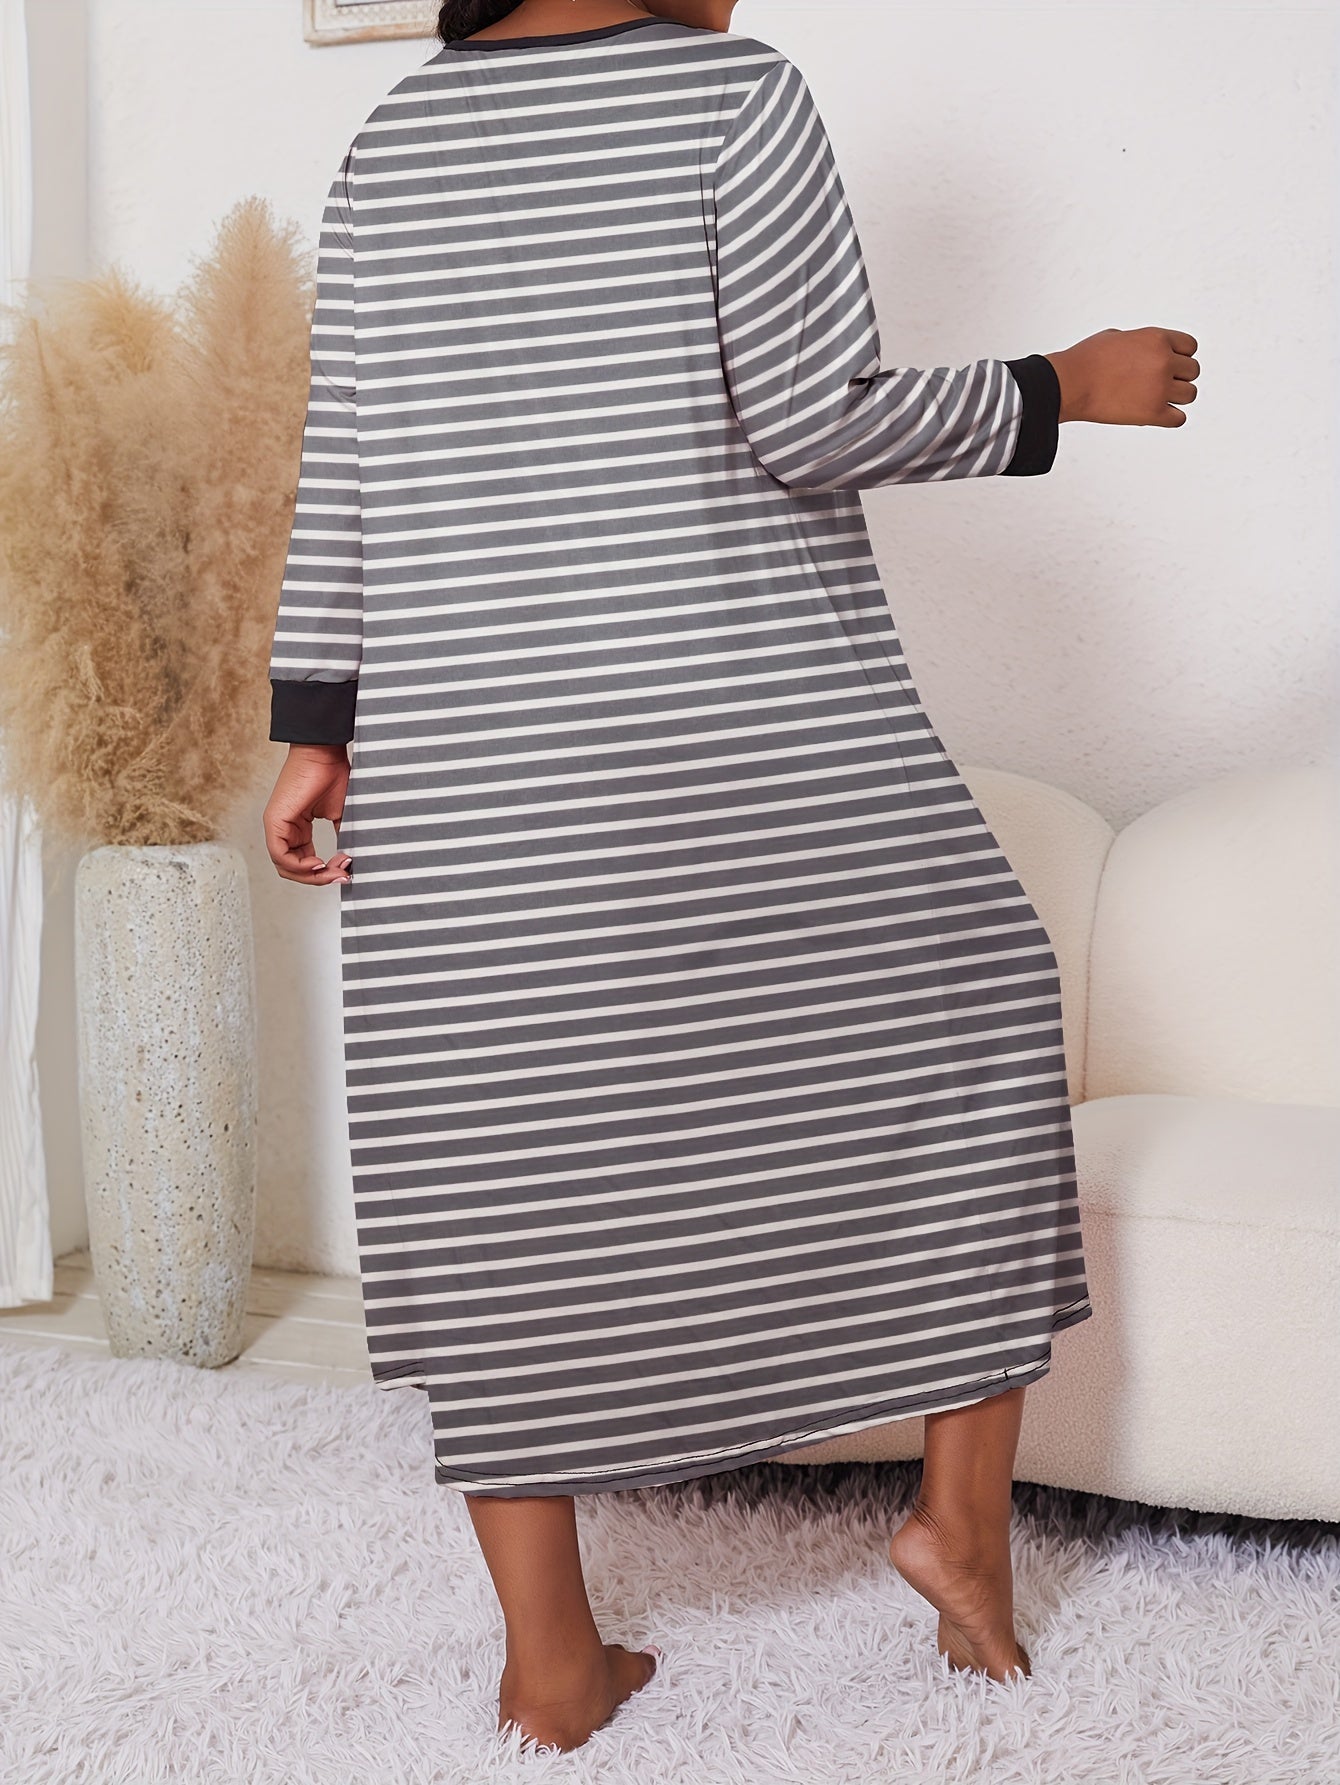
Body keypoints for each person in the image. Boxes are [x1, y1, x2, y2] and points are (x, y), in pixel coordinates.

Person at [262, 0, 1198, 1755]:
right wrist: (1064, 386)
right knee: (990, 1007)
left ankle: (551, 1661)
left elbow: (349, 458)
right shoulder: (733, 97)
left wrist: (319, 721)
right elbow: (811, 416)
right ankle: (961, 1528)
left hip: (467, 750)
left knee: (498, 1144)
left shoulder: (394, 140)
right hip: (727, 715)